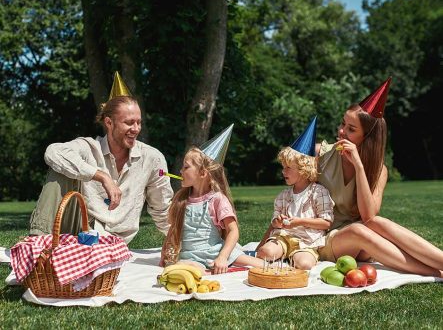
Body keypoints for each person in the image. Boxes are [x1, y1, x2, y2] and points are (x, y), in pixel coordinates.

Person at [261, 77, 443, 277]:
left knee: (378, 223)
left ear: (368, 137)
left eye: (351, 129)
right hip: (321, 238)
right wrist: (268, 238)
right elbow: (292, 180)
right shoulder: (321, 155)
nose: (341, 131)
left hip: (357, 240)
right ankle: (436, 273)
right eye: (343, 124)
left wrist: (358, 166)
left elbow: (369, 216)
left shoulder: (379, 170)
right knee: (360, 231)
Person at [29, 72, 173, 243]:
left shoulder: (152, 158)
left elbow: (162, 209)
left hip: (114, 242)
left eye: (138, 122)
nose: (136, 129)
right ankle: (37, 245)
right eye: (129, 122)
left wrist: (180, 242)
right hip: (78, 230)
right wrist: (101, 176)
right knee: (59, 170)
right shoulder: (88, 147)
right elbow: (53, 152)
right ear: (109, 122)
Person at [160, 125, 264, 274]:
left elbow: (233, 230)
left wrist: (223, 257)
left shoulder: (217, 199)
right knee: (187, 271)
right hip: (191, 257)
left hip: (218, 251)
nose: (181, 171)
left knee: (261, 266)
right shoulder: (181, 199)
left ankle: (284, 267)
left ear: (202, 173)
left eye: (186, 167)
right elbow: (173, 229)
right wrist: (165, 252)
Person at [257, 117, 335, 270]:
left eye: (288, 168)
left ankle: (292, 256)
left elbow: (326, 222)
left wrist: (299, 221)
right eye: (283, 167)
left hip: (307, 241)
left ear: (303, 169)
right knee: (265, 252)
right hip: (283, 237)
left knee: (304, 264)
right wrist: (277, 221)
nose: (283, 171)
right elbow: (274, 220)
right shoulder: (283, 196)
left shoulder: (318, 192)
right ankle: (284, 253)